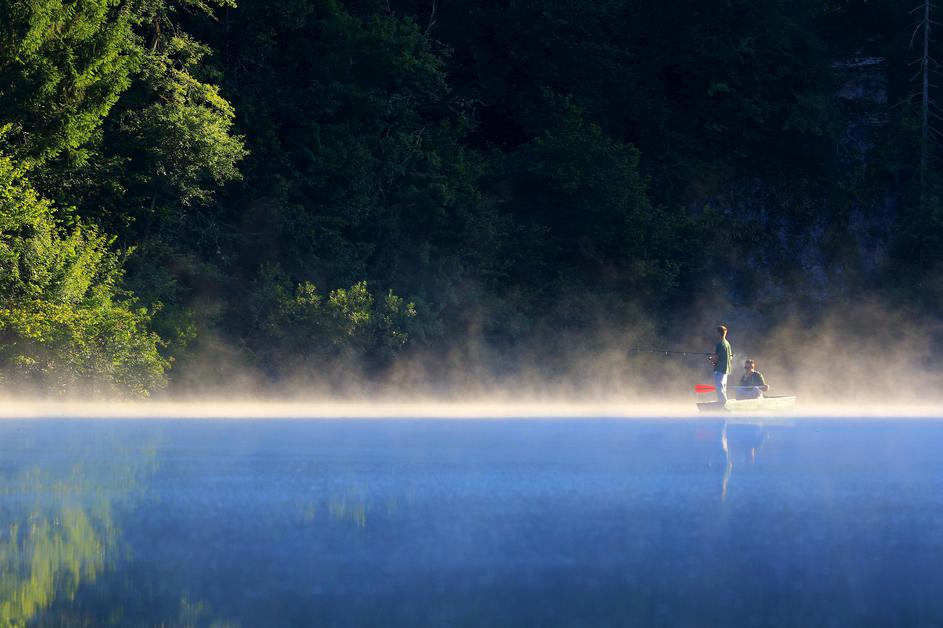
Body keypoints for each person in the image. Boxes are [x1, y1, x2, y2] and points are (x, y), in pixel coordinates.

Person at [709, 325, 733, 402]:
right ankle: (725, 403)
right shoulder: (727, 343)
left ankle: (723, 404)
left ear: (719, 333)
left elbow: (715, 358)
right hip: (726, 370)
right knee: (723, 389)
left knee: (719, 389)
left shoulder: (719, 344)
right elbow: (731, 357)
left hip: (719, 370)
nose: (715, 334)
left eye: (716, 332)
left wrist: (710, 359)